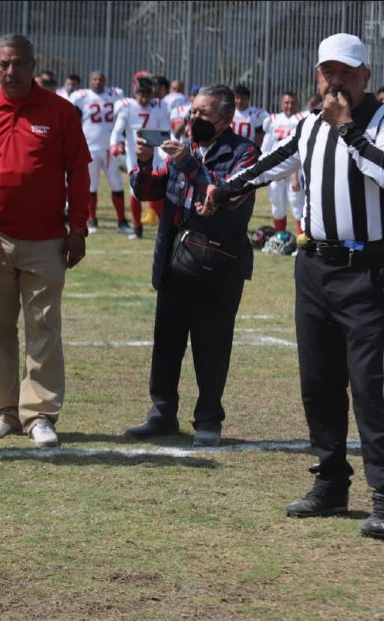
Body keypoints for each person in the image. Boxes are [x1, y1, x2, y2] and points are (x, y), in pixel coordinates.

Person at [203, 33, 384, 538]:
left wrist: (347, 130)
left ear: (364, 76)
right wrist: (227, 186)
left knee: (368, 385)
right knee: (317, 382)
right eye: (327, 73)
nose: (334, 82)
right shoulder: (309, 125)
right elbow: (273, 161)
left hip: (367, 270)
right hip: (314, 267)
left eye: (344, 72)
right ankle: (331, 480)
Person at [0, 33, 90, 447]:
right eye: (4, 64)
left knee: (43, 328)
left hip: (47, 241)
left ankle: (40, 414)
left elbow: (78, 173)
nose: (11, 72)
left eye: (19, 64)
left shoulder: (61, 112)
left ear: (32, 64)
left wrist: (77, 228)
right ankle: (5, 412)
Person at [124, 85, 258, 448]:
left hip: (217, 263)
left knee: (211, 345)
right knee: (166, 341)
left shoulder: (244, 152)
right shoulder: (189, 146)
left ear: (226, 119)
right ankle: (161, 413)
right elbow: (150, 190)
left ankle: (208, 419)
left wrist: (187, 162)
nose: (194, 119)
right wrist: (146, 162)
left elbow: (228, 193)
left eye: (203, 113)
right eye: (193, 112)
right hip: (174, 257)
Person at [70, 71, 133, 234]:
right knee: (91, 186)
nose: (98, 82)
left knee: (117, 184)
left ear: (105, 81)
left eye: (100, 79)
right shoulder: (81, 96)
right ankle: (92, 220)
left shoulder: (115, 94)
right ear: (90, 81)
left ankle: (122, 222)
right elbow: (72, 118)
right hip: (90, 148)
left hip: (110, 149)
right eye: (95, 79)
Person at [111, 77, 169, 240]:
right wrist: (114, 144)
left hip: (156, 154)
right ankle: (137, 227)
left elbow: (166, 131)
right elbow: (117, 130)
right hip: (133, 155)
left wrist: (167, 150)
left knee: (157, 191)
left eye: (146, 94)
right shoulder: (127, 107)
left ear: (152, 94)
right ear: (135, 93)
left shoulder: (160, 106)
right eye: (140, 94)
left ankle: (165, 226)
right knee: (135, 192)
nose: (143, 98)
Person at [261, 91, 307, 234]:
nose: (289, 106)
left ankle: (302, 242)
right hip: (276, 169)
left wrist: (294, 174)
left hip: (295, 170)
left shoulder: (303, 118)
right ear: (281, 104)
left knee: (297, 204)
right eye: (286, 102)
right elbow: (266, 148)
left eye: (292, 102)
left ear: (297, 104)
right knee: (277, 205)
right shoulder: (273, 119)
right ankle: (280, 237)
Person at [231, 84, 266, 149]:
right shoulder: (228, 111)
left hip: (248, 148)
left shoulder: (257, 114)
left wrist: (256, 149)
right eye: (237, 98)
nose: (240, 101)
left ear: (248, 99)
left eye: (243, 98)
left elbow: (259, 136)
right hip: (231, 146)